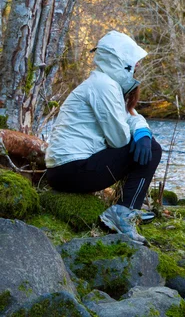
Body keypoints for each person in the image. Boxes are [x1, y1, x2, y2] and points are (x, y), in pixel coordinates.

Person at [44, 31, 162, 244]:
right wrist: (141, 137)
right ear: (121, 62)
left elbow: (129, 117)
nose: (136, 68)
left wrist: (142, 131)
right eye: (133, 63)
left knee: (146, 143)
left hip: (65, 170)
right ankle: (124, 212)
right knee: (152, 149)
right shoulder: (104, 86)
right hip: (72, 170)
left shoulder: (105, 84)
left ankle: (127, 209)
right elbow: (119, 139)